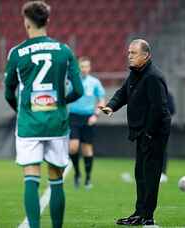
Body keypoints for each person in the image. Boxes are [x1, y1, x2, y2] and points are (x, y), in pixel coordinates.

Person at [3, 2, 83, 228]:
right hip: (57, 122)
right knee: (56, 179)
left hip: (29, 123)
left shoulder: (17, 53)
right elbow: (78, 90)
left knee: (31, 176)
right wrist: (59, 102)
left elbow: (8, 92)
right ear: (47, 21)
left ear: (26, 22)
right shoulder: (64, 51)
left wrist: (19, 108)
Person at [99, 39, 171, 226]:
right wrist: (110, 107)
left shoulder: (153, 77)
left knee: (150, 174)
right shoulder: (136, 74)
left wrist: (149, 134)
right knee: (140, 173)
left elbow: (159, 109)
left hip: (153, 133)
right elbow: (123, 93)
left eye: (133, 53)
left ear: (146, 55)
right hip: (142, 131)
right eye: (129, 53)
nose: (129, 56)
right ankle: (140, 212)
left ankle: (147, 215)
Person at [68, 57, 106, 190]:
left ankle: (88, 178)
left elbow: (102, 100)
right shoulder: (72, 81)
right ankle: (77, 173)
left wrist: (96, 114)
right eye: (81, 66)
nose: (84, 69)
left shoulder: (94, 82)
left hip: (88, 117)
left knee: (86, 149)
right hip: (73, 117)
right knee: (73, 147)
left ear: (89, 68)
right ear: (78, 68)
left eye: (86, 66)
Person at [160, 91, 175, 183]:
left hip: (162, 126)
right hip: (148, 126)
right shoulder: (148, 93)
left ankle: (162, 173)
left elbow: (172, 109)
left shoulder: (167, 95)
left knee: (162, 150)